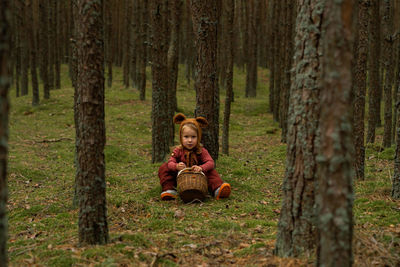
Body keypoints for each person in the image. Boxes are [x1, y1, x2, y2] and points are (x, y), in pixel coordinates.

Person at [158, 113, 231, 201]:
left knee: (211, 172)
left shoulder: (201, 150)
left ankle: (217, 188)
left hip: (198, 176)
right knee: (164, 167)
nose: (190, 140)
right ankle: (169, 190)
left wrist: (201, 168)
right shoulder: (178, 150)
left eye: (193, 137)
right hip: (181, 177)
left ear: (198, 137)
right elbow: (170, 162)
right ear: (181, 137)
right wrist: (176, 166)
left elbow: (210, 162)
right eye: (186, 137)